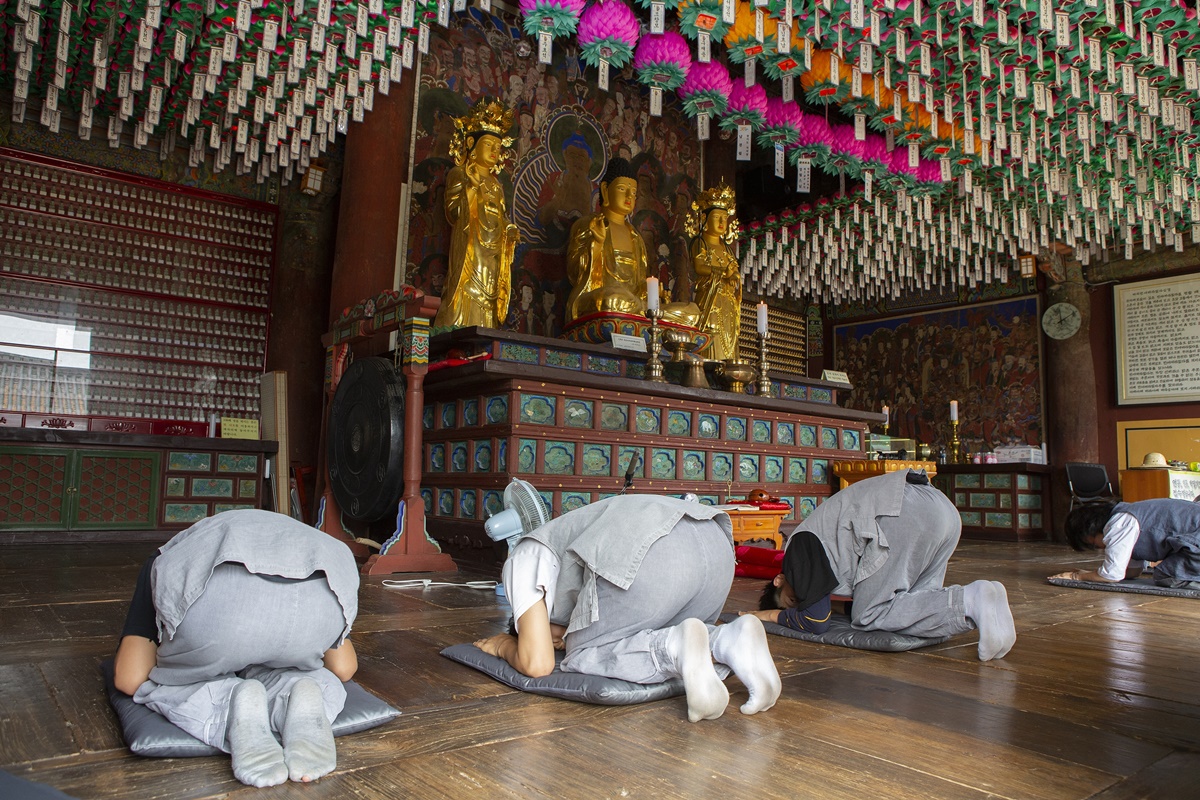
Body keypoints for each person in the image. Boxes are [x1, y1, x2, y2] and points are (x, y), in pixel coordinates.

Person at [475, 494, 781, 722]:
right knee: (661, 631)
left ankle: (673, 647)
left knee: (583, 653)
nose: (555, 641)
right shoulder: (570, 537)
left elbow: (536, 664)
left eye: (549, 637)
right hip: (717, 545)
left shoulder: (522, 556)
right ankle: (728, 640)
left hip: (654, 551)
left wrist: (504, 644)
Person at [113, 510, 360, 788]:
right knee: (303, 666)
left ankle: (229, 702)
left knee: (170, 679)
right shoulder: (317, 542)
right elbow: (343, 667)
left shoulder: (175, 554)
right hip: (317, 603)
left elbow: (129, 677)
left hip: (219, 618)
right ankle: (296, 690)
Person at [748, 469, 1017, 661]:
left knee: (870, 614)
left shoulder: (797, 549)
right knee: (916, 602)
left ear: (779, 580)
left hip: (904, 513)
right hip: (942, 509)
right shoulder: (821, 545)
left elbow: (816, 622)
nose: (802, 601)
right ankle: (986, 606)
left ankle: (970, 598)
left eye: (791, 600)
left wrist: (766, 616)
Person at [564, 158, 699, 326]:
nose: (629, 196)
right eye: (622, 189)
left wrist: (652, 294)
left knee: (692, 312)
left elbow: (638, 286)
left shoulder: (636, 237)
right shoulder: (588, 225)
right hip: (603, 301)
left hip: (632, 306)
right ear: (605, 190)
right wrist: (596, 245)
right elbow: (574, 274)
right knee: (612, 299)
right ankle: (643, 317)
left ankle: (646, 316)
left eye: (633, 193)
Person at [434, 98, 520, 329]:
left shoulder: (496, 186)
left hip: (492, 251)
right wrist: (471, 190)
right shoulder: (459, 174)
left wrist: (509, 230)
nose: (495, 151)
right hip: (470, 248)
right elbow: (453, 213)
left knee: (490, 296)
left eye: (498, 147)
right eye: (489, 144)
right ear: (472, 142)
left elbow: (500, 218)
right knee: (465, 291)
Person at [1053, 498, 1200, 589]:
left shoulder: (1119, 524)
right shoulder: (1129, 515)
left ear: (1090, 530)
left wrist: (1077, 577)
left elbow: (1112, 575)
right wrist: (1093, 574)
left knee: (1167, 576)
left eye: (1093, 545)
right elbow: (1131, 572)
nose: (1100, 548)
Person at [688, 181, 743, 362]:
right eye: (717, 217)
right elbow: (699, 267)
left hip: (727, 302)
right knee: (711, 334)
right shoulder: (700, 243)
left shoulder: (727, 248)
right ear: (704, 219)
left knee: (729, 336)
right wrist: (721, 272)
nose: (722, 222)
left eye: (725, 218)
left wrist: (734, 277)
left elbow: (734, 271)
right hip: (710, 300)